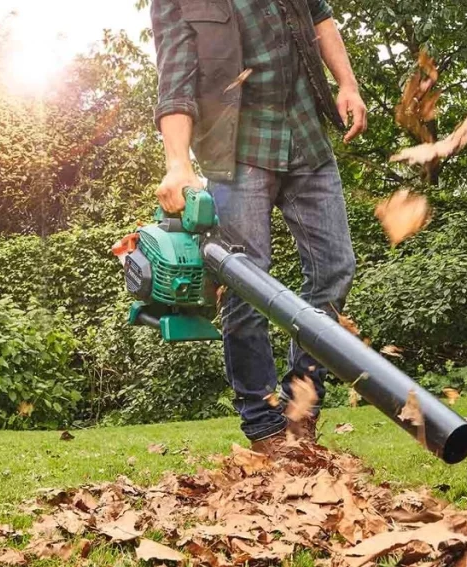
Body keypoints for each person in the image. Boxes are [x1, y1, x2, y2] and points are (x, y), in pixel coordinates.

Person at [150, 0, 367, 455]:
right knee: (248, 282)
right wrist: (177, 164)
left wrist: (346, 83)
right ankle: (262, 420)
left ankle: (301, 406)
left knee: (334, 268)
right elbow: (176, 78)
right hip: (237, 151)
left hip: (307, 137)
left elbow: (321, 17)